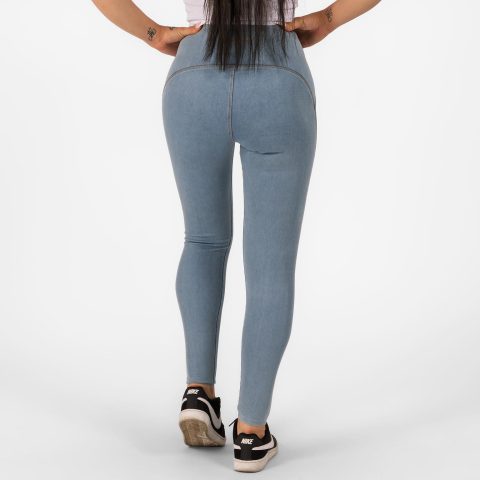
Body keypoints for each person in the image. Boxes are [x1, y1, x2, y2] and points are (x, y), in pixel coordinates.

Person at [92, 0, 382, 473]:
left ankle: (199, 393)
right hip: (278, 74)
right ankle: (251, 431)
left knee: (202, 241)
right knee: (271, 264)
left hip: (193, 74)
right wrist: (328, 18)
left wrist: (154, 34)